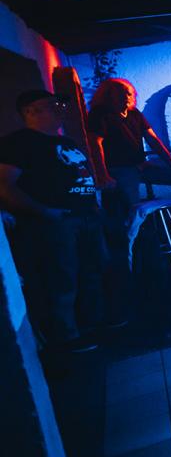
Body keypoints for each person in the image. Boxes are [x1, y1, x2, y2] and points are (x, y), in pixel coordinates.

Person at [0, 90, 110, 353]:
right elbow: (5, 185)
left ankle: (89, 325)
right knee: (61, 278)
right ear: (31, 111)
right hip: (56, 222)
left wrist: (93, 205)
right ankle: (66, 336)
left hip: (84, 217)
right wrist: (45, 212)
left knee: (91, 270)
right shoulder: (17, 143)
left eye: (59, 104)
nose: (60, 109)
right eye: (52, 105)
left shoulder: (66, 142)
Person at [87, 78, 171, 229]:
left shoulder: (134, 113)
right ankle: (135, 238)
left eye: (129, 93)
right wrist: (102, 174)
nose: (127, 97)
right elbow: (95, 144)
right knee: (133, 209)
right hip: (119, 169)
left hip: (141, 166)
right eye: (121, 93)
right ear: (109, 95)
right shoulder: (99, 114)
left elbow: (154, 140)